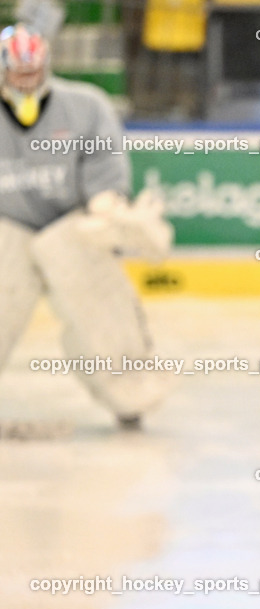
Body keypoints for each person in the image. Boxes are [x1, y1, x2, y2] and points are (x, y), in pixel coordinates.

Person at [0, 22, 173, 428]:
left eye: (33, 71)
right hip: (6, 228)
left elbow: (105, 171)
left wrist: (109, 210)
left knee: (101, 306)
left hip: (71, 226)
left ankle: (129, 396)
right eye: (17, 73)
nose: (26, 81)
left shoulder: (86, 106)